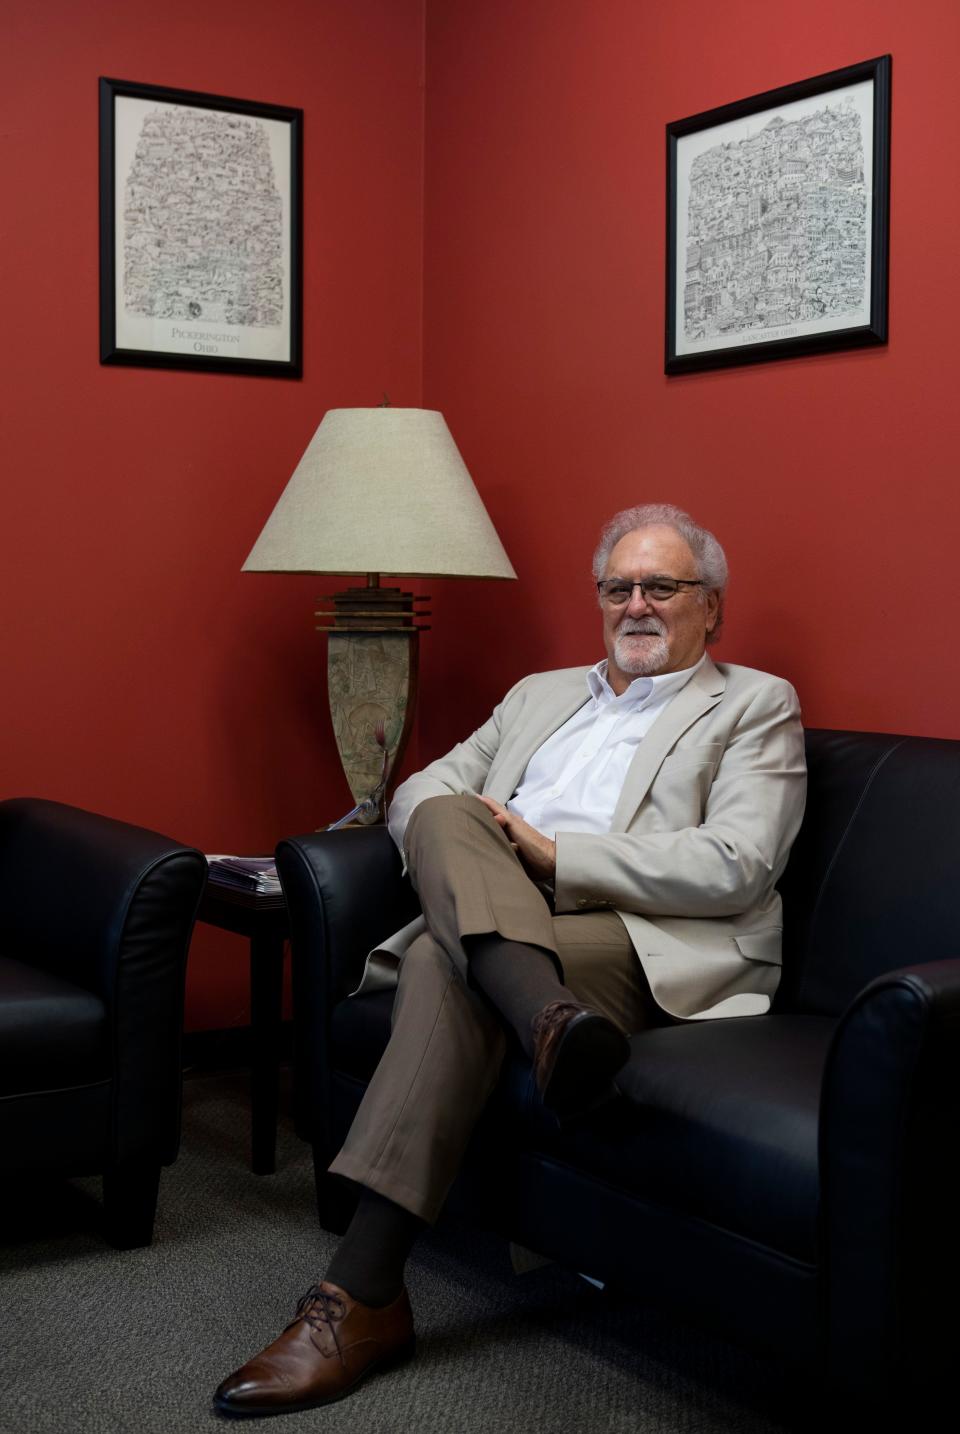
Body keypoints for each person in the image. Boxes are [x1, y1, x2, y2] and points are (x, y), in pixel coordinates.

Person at [214, 503, 806, 1418]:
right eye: (619, 588)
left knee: (444, 964)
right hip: (522, 924)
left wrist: (551, 854)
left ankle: (357, 1298)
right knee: (442, 811)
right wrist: (491, 855)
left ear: (711, 607)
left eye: (663, 586)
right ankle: (546, 1019)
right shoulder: (539, 693)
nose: (637, 604)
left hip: (639, 936)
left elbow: (737, 864)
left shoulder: (756, 704)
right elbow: (420, 795)